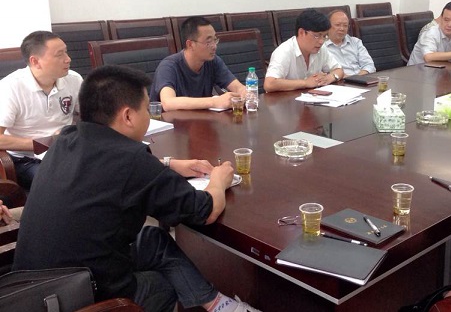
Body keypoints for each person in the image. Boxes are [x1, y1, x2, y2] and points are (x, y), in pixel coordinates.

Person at [12, 65, 260, 312]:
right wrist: (218, 180)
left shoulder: (66, 139)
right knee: (165, 287)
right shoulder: (133, 160)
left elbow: (110, 168)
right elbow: (206, 212)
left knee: (152, 239)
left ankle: (216, 304)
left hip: (29, 287)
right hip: (78, 296)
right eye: (146, 109)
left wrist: (169, 164)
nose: (149, 117)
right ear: (128, 116)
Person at [0, 31, 82, 190]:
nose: (68, 59)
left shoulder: (74, 79)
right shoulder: (10, 88)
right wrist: (44, 143)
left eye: (66, 52)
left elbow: (89, 115)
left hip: (67, 149)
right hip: (28, 160)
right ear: (35, 61)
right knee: (65, 184)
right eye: (59, 54)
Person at [149, 16, 247, 111]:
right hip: (170, 120)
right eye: (208, 42)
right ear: (190, 44)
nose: (214, 46)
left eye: (215, 40)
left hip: (201, 119)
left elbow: (237, 87)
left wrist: (245, 93)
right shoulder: (169, 66)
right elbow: (168, 103)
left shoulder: (213, 61)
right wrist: (215, 101)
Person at [264, 9, 343, 92]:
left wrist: (329, 78)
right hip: (285, 98)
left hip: (311, 97)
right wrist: (305, 83)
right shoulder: (284, 51)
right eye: (317, 36)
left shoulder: (321, 49)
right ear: (301, 32)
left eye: (324, 36)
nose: (321, 41)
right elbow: (269, 84)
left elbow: (339, 70)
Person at [324, 9, 376, 76]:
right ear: (328, 26)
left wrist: (356, 78)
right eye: (337, 25)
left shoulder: (355, 42)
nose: (342, 29)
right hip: (340, 80)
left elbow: (369, 65)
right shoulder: (321, 47)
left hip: (362, 78)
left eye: (345, 25)